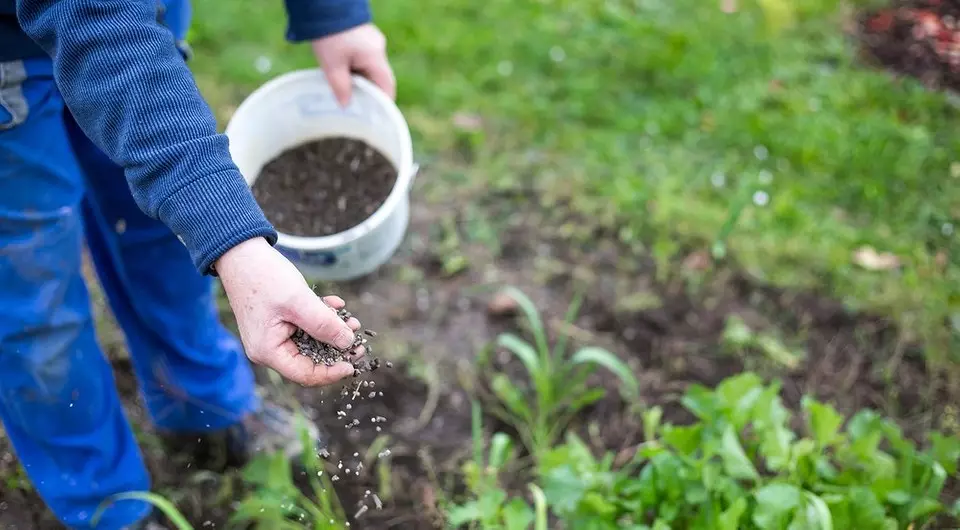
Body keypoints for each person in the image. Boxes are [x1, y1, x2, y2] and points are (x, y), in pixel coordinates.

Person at [0, 0, 396, 527]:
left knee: (160, 225)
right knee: (34, 286)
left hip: (141, 18)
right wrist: (236, 244)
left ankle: (202, 406)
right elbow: (98, 26)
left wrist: (333, 14)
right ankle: (104, 503)